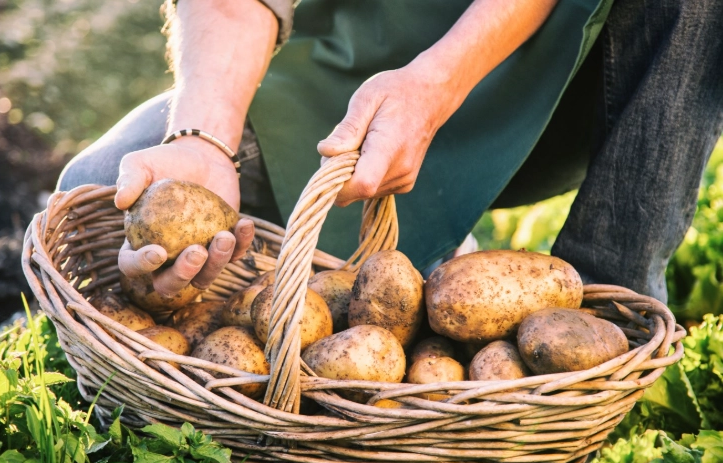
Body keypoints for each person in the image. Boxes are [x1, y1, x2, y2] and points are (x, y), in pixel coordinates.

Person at [57, 0, 723, 304]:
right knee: (90, 191)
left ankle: (615, 306)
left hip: (558, 68)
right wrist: (202, 139)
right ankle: (423, 251)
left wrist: (437, 82)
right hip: (344, 78)